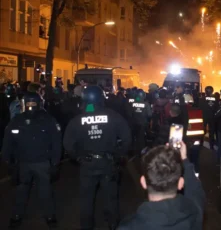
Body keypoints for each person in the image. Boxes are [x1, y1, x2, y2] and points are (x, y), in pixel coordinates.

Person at [63, 85, 132, 230]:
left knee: (86, 199)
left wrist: (78, 157)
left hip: (87, 165)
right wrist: (118, 155)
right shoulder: (113, 115)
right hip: (108, 163)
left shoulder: (77, 119)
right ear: (101, 98)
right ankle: (113, 225)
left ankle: (87, 226)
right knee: (111, 197)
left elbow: (67, 144)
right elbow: (127, 138)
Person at [2, 92, 62, 228]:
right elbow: (7, 143)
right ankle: (47, 216)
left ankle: (28, 216)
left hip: (33, 163)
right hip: (31, 163)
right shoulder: (47, 120)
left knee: (37, 191)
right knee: (31, 191)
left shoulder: (20, 120)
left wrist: (8, 161)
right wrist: (55, 162)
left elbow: (7, 143)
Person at [117, 142, 205, 230]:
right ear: (181, 183)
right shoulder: (195, 213)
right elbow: (195, 189)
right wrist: (184, 159)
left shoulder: (127, 226)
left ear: (143, 182)